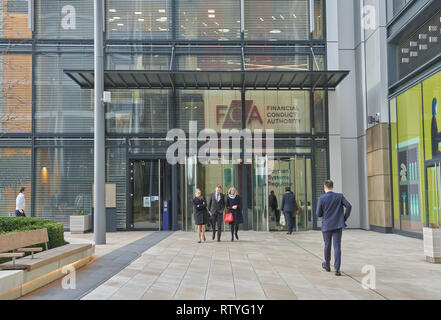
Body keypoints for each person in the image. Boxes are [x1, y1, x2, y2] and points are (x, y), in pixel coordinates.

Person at [316, 180, 352, 277]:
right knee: (337, 246)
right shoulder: (339, 196)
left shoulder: (321, 198)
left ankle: (327, 265)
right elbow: (349, 206)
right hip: (338, 225)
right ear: (332, 186)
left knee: (327, 245)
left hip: (327, 225)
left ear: (324, 187)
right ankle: (337, 268)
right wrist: (343, 218)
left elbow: (318, 214)